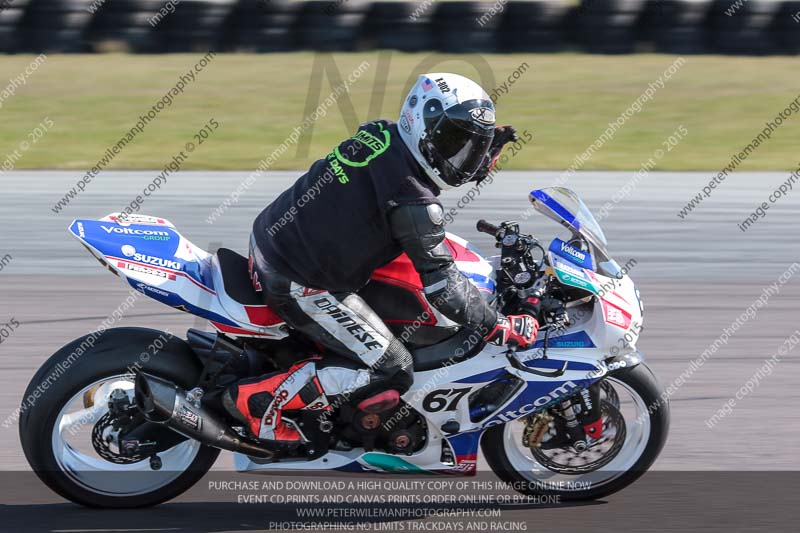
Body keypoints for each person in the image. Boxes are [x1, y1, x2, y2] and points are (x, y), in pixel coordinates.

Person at [223, 73, 539, 447]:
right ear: (421, 125)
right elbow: (443, 286)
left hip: (272, 238)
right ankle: (257, 402)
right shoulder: (414, 201)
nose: (461, 155)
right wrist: (497, 324)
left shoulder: (381, 134)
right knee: (392, 367)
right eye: (455, 141)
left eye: (469, 145)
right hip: (297, 280)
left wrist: (480, 151)